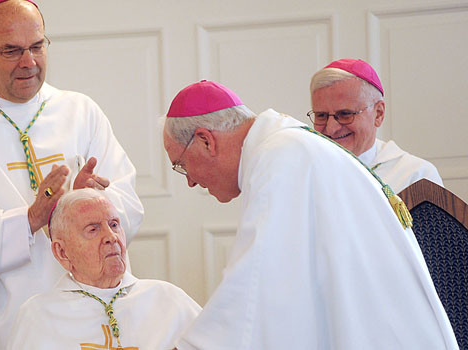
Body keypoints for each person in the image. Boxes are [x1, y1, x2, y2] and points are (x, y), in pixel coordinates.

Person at [0, 1, 143, 349]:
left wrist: (88, 205)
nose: (29, 62)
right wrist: (29, 220)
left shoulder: (80, 112)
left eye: (37, 46)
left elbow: (129, 205)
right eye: (12, 50)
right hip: (4, 322)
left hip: (89, 316)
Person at [162, 80, 458, 349]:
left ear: (205, 140)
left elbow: (254, 292)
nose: (189, 181)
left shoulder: (280, 158)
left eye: (182, 165)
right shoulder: (284, 149)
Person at [7, 188, 200, 349]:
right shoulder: (39, 316)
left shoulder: (168, 300)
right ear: (62, 252)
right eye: (93, 229)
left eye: (114, 224)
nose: (111, 237)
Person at [309, 58, 443, 193]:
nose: (331, 128)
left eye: (345, 114)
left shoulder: (416, 176)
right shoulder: (305, 171)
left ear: (378, 114)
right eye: (321, 115)